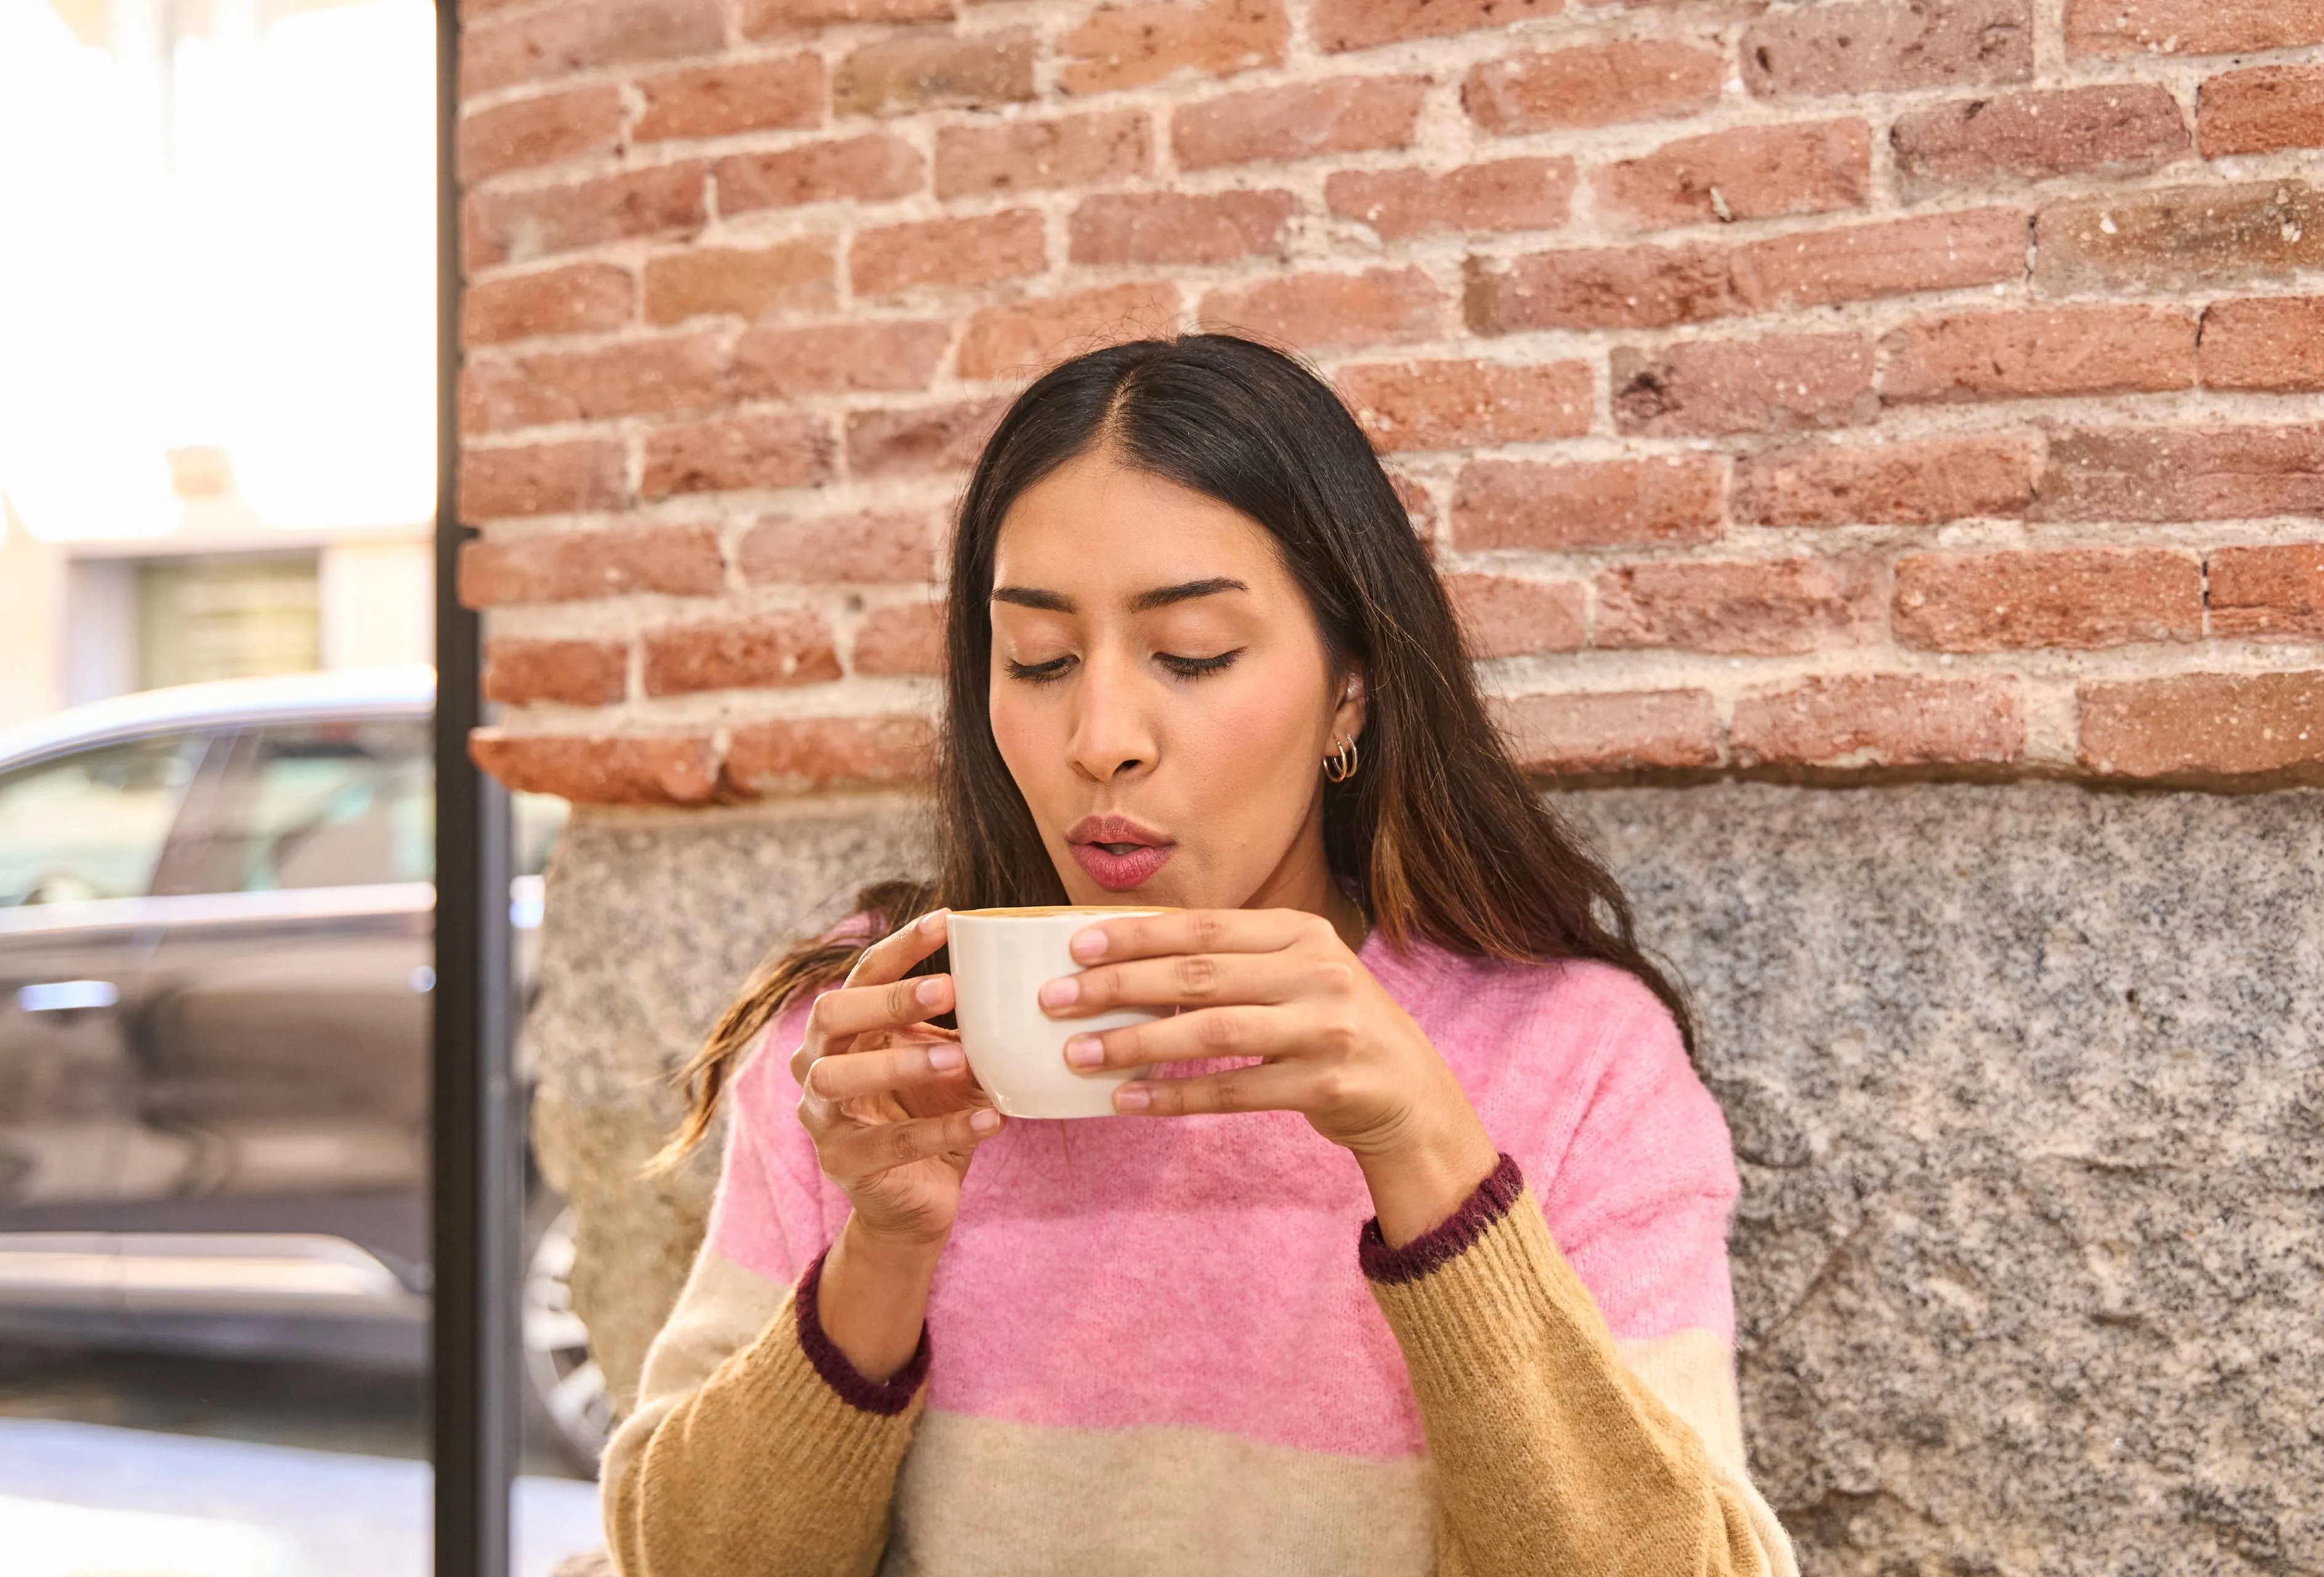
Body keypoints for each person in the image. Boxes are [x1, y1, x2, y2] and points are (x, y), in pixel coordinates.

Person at [600, 334, 1796, 1576]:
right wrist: (882, 1248)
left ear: (1350, 692)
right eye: (1040, 660)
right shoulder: (876, 1043)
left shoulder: (1574, 1056)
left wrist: (1429, 1153)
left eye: (1194, 654)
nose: (1101, 735)